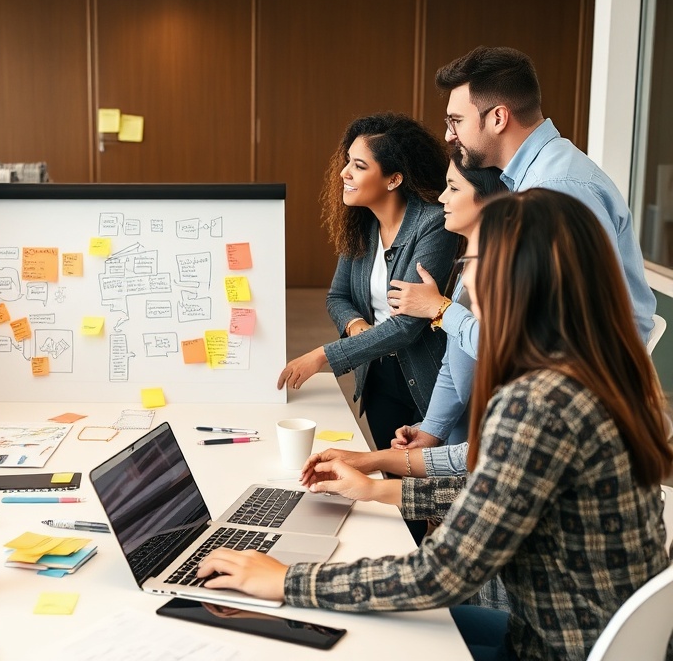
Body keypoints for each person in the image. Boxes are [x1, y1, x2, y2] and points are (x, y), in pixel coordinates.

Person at [199, 188, 673, 661]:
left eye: (470, 261)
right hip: (584, 637)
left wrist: (283, 578)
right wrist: (376, 489)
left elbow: (443, 573)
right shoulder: (602, 373)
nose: (463, 282)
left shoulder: (538, 402)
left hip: (548, 648)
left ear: (512, 276)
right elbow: (496, 492)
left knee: (334, 630)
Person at [436, 45, 655, 339]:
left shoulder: (556, 187)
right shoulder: (537, 175)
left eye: (456, 121)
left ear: (498, 118)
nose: (449, 135)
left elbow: (576, 325)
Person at [277, 113, 457, 450]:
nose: (344, 173)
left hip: (424, 381)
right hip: (376, 376)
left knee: (426, 489)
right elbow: (338, 296)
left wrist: (323, 356)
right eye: (348, 162)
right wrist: (358, 326)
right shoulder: (363, 225)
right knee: (390, 479)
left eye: (359, 166)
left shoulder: (433, 224)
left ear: (393, 179)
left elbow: (407, 326)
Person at [386, 151, 508, 449]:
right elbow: (455, 362)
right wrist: (431, 430)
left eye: (454, 188)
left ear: (488, 199)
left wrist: (438, 308)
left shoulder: (505, 270)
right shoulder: (471, 262)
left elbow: (499, 348)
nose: (442, 198)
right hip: (460, 441)